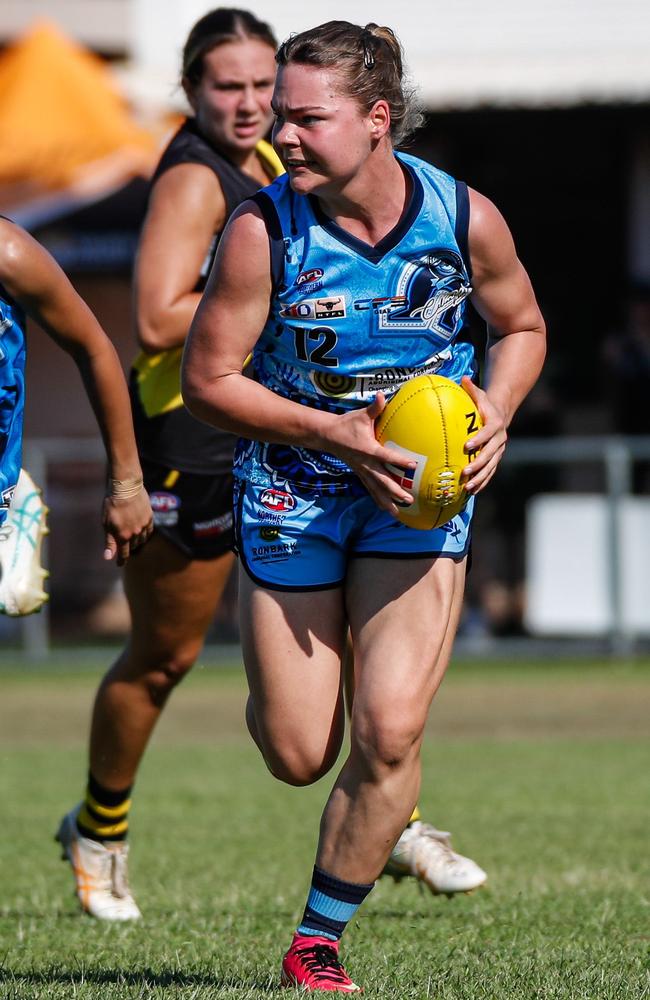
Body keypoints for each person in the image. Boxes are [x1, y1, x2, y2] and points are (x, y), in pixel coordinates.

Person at [57, 7, 485, 925]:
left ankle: (388, 809)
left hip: (335, 446)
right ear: (191, 93)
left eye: (271, 91)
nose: (258, 111)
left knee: (387, 713)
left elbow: (512, 318)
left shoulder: (314, 174)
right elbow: (161, 325)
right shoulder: (206, 186)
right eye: (234, 89)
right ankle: (98, 824)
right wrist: (259, 294)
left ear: (374, 115)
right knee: (172, 660)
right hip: (203, 443)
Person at [182, 19, 546, 993]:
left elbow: (518, 326)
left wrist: (497, 411)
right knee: (302, 753)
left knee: (387, 732)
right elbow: (208, 379)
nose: (279, 132)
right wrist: (334, 432)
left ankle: (317, 940)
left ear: (377, 119)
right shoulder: (262, 231)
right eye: (276, 115)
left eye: (305, 117)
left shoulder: (462, 217)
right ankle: (349, 785)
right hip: (295, 488)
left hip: (414, 499)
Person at [0, 217, 152, 619]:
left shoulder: (8, 252)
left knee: (168, 648)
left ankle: (8, 494)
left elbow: (94, 348)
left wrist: (127, 485)